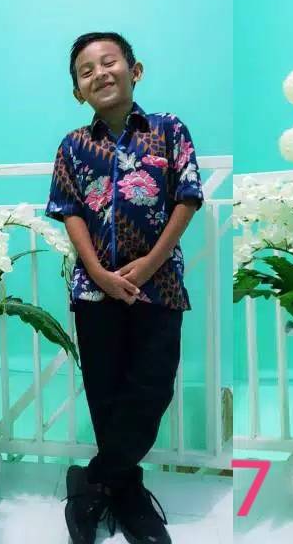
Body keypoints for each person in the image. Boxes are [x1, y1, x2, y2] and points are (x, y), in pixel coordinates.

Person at [46, 31, 203, 544]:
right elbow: (69, 210)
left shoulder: (168, 129)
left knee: (152, 386)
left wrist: (150, 264)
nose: (100, 73)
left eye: (109, 62)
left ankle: (93, 481)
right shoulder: (73, 145)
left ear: (135, 71)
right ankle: (126, 489)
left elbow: (187, 197)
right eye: (86, 71)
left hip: (160, 286)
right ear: (78, 91)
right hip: (95, 291)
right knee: (105, 391)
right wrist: (99, 274)